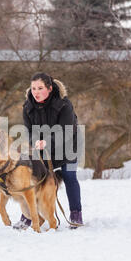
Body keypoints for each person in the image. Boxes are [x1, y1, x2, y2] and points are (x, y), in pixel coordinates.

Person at [15, 72, 83, 229]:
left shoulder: (64, 105)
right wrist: (35, 142)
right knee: (35, 180)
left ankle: (76, 214)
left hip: (69, 148)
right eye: (33, 88)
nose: (36, 92)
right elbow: (29, 131)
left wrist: (47, 141)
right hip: (43, 150)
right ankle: (28, 216)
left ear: (50, 88)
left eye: (40, 88)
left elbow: (67, 130)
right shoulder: (28, 107)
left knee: (69, 176)